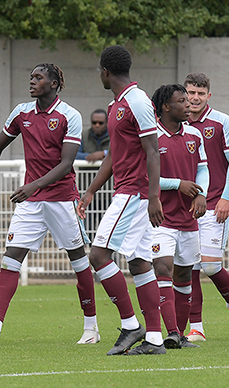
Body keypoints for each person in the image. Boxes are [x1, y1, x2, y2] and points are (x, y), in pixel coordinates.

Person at [0, 63, 100, 346]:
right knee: (11, 258)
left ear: (54, 83)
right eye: (31, 77)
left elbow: (66, 163)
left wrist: (34, 184)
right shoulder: (21, 112)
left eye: (39, 77)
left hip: (62, 199)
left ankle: (91, 327)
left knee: (79, 262)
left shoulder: (68, 115)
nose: (32, 81)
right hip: (32, 201)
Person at [77, 45, 166, 355]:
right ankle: (154, 339)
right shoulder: (116, 104)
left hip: (135, 193)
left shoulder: (138, 101)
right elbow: (114, 154)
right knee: (141, 263)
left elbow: (153, 150)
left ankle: (130, 325)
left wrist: (154, 196)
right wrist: (91, 190)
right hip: (128, 191)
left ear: (105, 71)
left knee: (98, 256)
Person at [183, 72, 229, 342]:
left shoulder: (222, 122)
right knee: (189, 267)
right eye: (190, 93)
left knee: (208, 266)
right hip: (184, 208)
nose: (194, 98)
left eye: (200, 93)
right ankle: (196, 327)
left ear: (209, 95)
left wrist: (226, 197)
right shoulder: (177, 122)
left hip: (214, 204)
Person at [150, 83, 208, 349]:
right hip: (160, 218)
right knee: (163, 268)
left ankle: (180, 335)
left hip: (188, 220)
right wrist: (178, 184)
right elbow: (146, 177)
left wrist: (200, 193)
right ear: (166, 106)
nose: (188, 105)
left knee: (184, 276)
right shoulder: (151, 136)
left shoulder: (195, 135)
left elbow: (203, 170)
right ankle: (172, 331)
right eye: (182, 101)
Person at [77, 109, 111, 239]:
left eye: (100, 123)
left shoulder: (114, 134)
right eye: (94, 122)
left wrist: (104, 154)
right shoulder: (84, 135)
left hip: (108, 191)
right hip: (87, 191)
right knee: (88, 230)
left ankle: (111, 259)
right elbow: (74, 154)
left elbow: (121, 151)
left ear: (107, 123)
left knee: (107, 231)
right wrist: (93, 157)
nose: (97, 125)